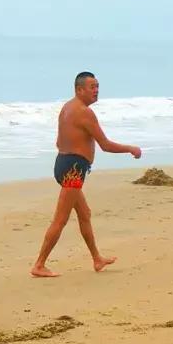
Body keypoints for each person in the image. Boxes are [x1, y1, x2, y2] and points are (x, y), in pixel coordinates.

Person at [30, 72, 142, 278]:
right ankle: (39, 264)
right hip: (73, 170)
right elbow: (106, 145)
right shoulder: (84, 112)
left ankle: (97, 259)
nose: (96, 90)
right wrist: (131, 148)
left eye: (97, 86)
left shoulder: (67, 108)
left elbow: (59, 141)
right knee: (60, 219)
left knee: (85, 214)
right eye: (92, 87)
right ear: (79, 89)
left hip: (64, 165)